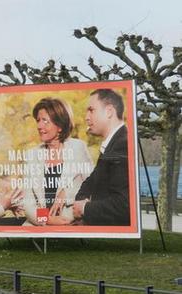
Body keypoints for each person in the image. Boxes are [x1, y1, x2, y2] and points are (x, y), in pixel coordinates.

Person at [22, 98, 94, 226]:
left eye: (45, 121)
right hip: (39, 223)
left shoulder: (78, 148)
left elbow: (92, 186)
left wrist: (66, 193)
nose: (39, 126)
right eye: (38, 120)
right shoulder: (31, 155)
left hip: (72, 219)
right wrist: (47, 220)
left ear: (60, 126)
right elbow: (28, 203)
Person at [73, 89, 130, 226]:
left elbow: (124, 206)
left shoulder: (122, 144)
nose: (86, 117)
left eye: (91, 110)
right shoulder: (112, 145)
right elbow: (89, 183)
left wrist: (84, 208)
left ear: (109, 112)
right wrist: (80, 203)